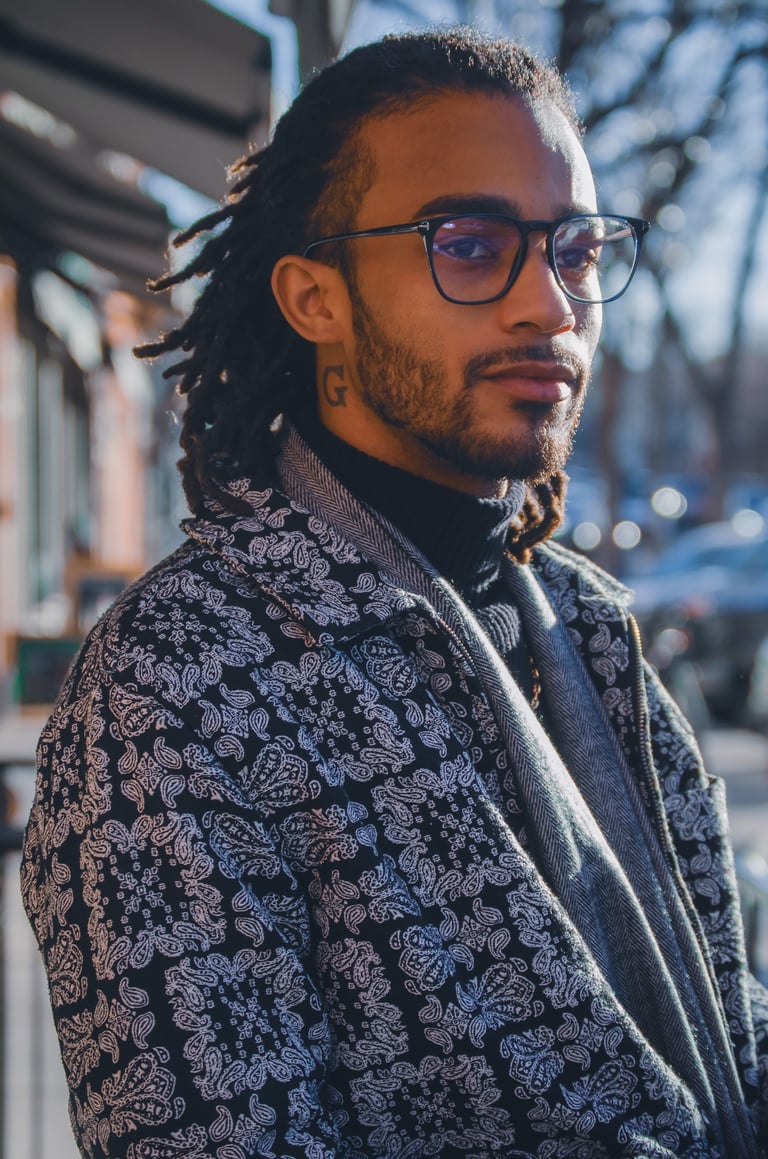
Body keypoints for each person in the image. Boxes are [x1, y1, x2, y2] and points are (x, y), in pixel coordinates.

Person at [21, 27, 768, 1159]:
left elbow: (726, 1014)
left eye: (573, 247)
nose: (551, 306)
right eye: (467, 244)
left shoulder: (591, 625)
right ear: (315, 297)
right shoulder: (175, 685)